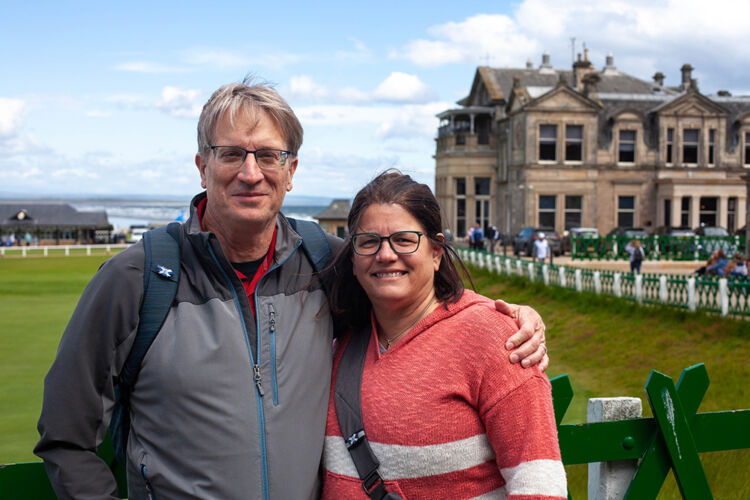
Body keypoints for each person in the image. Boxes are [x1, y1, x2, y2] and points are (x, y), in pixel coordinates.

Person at [35, 79, 548, 499]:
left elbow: (408, 287)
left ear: (292, 171)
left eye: (269, 156)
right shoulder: (136, 278)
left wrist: (507, 317)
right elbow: (66, 435)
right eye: (231, 154)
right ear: (202, 165)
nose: (251, 173)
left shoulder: (325, 260)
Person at [322, 171, 566, 499]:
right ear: (353, 259)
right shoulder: (338, 341)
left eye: (404, 240)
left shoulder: (496, 339)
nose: (385, 254)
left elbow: (538, 486)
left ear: (436, 252)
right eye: (369, 242)